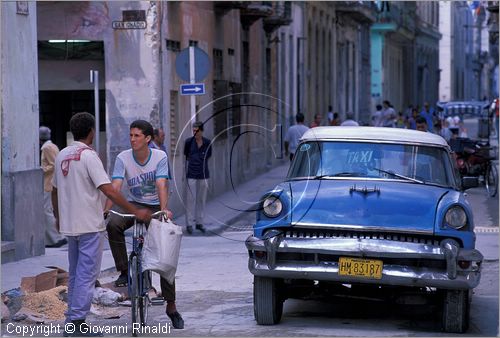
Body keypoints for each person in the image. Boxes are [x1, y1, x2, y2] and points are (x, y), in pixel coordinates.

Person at [52, 112, 151, 337]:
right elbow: (107, 189)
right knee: (86, 275)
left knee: (77, 274)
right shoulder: (88, 156)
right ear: (91, 132)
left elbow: (54, 190)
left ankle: (72, 320)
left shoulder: (62, 155)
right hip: (88, 225)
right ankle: (76, 323)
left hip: (71, 225)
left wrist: (58, 217)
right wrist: (135, 210)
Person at [105, 120, 184, 329]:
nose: (132, 139)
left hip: (155, 205)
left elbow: (161, 184)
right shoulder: (123, 158)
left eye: (137, 136)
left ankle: (171, 306)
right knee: (113, 223)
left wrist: (164, 209)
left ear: (147, 138)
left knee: (165, 255)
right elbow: (115, 186)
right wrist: (105, 209)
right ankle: (124, 271)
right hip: (132, 204)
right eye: (131, 135)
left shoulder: (160, 156)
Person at [40, 126, 67, 248]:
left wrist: (41, 170)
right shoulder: (53, 146)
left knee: (47, 212)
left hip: (48, 183)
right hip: (52, 183)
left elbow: (53, 164)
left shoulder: (46, 148)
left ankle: (55, 238)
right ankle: (55, 237)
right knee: (50, 211)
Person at [183, 121, 212, 235]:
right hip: (191, 173)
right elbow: (186, 156)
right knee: (190, 199)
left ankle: (200, 222)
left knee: (201, 198)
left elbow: (208, 155)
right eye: (193, 131)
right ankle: (189, 224)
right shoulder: (188, 142)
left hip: (204, 173)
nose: (195, 133)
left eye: (197, 131)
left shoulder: (207, 142)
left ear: (201, 131)